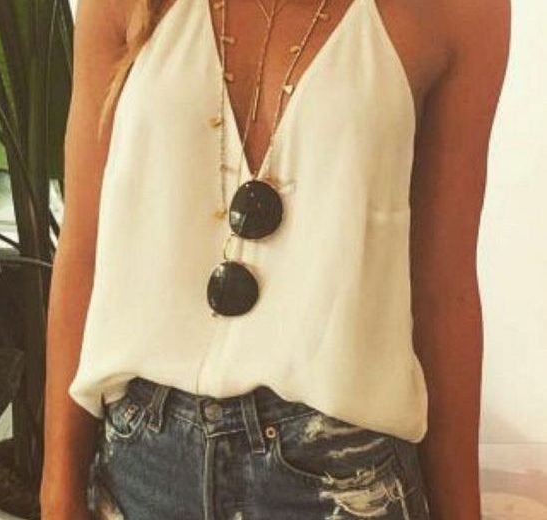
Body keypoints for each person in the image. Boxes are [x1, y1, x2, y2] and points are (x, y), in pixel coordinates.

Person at [40, 0, 509, 518]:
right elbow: (86, 245)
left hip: (343, 473)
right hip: (141, 466)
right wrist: (58, 491)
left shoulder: (463, 12)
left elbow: (443, 291)